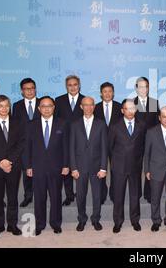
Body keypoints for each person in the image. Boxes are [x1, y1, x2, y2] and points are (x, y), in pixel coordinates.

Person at [23, 96, 69, 235]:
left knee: (56, 197)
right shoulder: (31, 125)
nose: (47, 108)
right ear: (39, 108)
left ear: (54, 108)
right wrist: (28, 166)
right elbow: (27, 148)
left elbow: (66, 146)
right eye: (43, 106)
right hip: (38, 167)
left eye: (49, 106)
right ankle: (39, 224)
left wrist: (66, 165)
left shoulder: (62, 123)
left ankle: (56, 223)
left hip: (57, 167)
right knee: (39, 197)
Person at [0, 95, 25, 238]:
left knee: (13, 197)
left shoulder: (18, 123)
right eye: (0, 106)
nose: (4, 109)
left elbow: (21, 143)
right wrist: (2, 161)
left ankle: (12, 225)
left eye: (7, 105)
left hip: (13, 166)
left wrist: (9, 161)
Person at [70, 97, 108, 232]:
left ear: (94, 106)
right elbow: (71, 148)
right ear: (81, 106)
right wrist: (73, 167)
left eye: (91, 105)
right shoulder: (74, 124)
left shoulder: (101, 124)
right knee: (80, 195)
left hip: (97, 167)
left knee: (97, 195)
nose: (88, 107)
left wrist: (104, 167)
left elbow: (104, 147)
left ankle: (96, 219)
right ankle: (82, 219)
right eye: (85, 105)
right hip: (79, 168)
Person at [108, 99, 146, 233]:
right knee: (118, 195)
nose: (130, 112)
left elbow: (143, 146)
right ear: (122, 110)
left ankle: (135, 220)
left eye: (132, 108)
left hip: (135, 166)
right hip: (119, 167)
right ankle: (118, 221)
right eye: (127, 109)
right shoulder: (114, 126)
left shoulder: (142, 125)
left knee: (135, 195)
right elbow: (110, 147)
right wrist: (115, 162)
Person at [55, 75, 85, 206]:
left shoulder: (85, 100)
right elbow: (56, 121)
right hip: (64, 140)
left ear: (79, 85)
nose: (73, 87)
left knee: (81, 167)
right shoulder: (59, 100)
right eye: (70, 85)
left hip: (82, 140)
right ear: (66, 86)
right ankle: (69, 195)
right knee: (66, 167)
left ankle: (80, 192)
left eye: (75, 84)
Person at [12, 77, 40, 207]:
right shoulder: (16, 106)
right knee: (26, 172)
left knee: (42, 171)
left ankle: (41, 196)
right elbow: (15, 126)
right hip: (24, 144)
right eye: (26, 89)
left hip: (41, 143)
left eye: (32, 88)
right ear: (22, 91)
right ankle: (28, 196)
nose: (29, 91)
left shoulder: (43, 103)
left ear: (35, 89)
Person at [93, 81, 122, 204]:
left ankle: (115, 194)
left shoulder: (119, 106)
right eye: (105, 91)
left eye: (110, 91)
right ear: (101, 93)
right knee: (100, 170)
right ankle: (101, 195)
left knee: (116, 171)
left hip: (116, 145)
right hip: (99, 145)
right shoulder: (95, 107)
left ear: (113, 93)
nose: (107, 94)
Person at [133, 76, 160, 203]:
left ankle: (149, 193)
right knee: (136, 168)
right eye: (141, 86)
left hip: (151, 141)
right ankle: (137, 193)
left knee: (150, 168)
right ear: (136, 88)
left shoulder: (154, 103)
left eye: (146, 86)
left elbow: (157, 123)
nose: (144, 89)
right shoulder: (131, 103)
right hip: (135, 142)